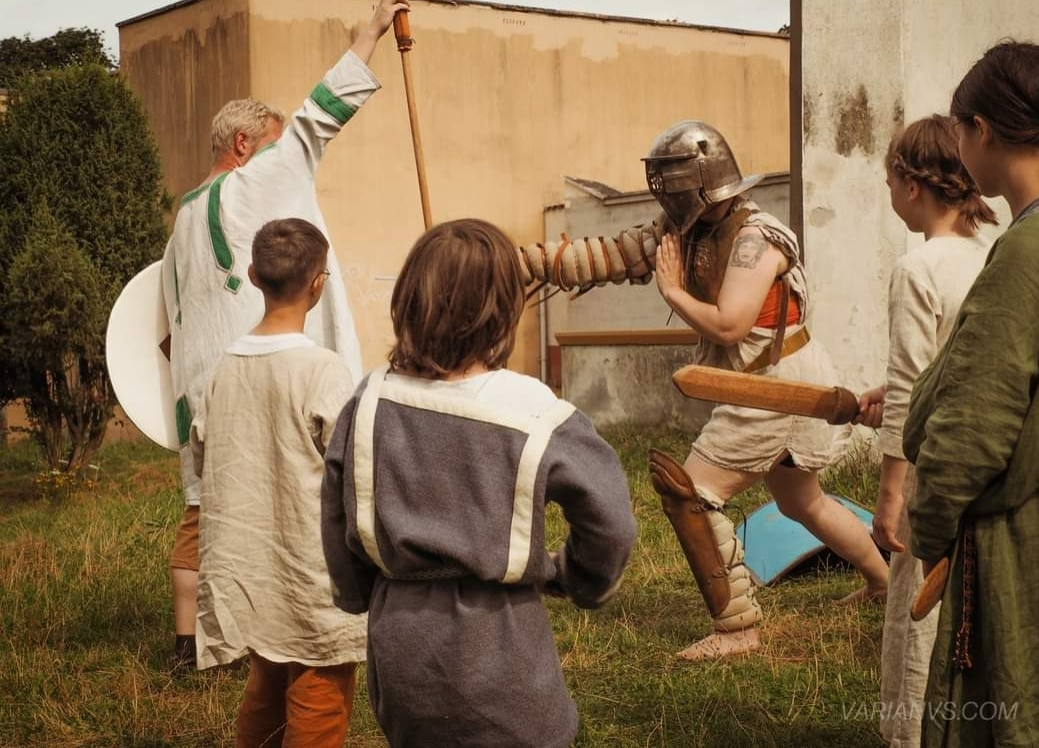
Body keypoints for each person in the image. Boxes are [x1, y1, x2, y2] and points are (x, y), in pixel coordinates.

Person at [519, 121, 889, 660]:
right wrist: (517, 263)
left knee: (688, 491)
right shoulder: (688, 227)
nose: (662, 193)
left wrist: (670, 289)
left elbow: (731, 324)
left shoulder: (754, 239)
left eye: (670, 180)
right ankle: (883, 582)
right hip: (760, 385)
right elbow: (613, 255)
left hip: (775, 388)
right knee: (801, 502)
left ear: (699, 180)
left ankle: (737, 627)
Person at [160, 0, 409, 668]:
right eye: (269, 144)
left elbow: (166, 318)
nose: (285, 155)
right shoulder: (260, 177)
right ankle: (301, 626)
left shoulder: (182, 217)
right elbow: (319, 116)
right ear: (244, 144)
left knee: (208, 510)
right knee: (296, 499)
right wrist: (372, 32)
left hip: (206, 387)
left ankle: (192, 645)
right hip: (274, 371)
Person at [321, 219, 637, 747]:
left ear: (409, 302)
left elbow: (337, 510)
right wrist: (580, 580)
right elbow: (611, 521)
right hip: (499, 642)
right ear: (503, 311)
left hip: (400, 643)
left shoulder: (369, 400)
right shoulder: (533, 411)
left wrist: (355, 594)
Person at [903, 41, 1039, 747]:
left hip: (1024, 543)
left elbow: (974, 428)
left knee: (1018, 714)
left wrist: (930, 524)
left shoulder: (1030, 251)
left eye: (959, 129)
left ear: (983, 131)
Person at [192, 218, 363, 747]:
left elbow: (203, 456)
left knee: (267, 680)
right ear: (318, 283)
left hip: (250, 570)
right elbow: (356, 470)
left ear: (252, 275)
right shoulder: (323, 371)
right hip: (312, 575)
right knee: (321, 688)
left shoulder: (221, 369)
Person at [855, 116, 995, 747]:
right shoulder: (996, 256)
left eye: (889, 181)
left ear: (912, 185)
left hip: (933, 475)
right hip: (992, 468)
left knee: (916, 622)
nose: (890, 195)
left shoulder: (919, 269)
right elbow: (971, 362)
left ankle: (907, 737)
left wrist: (891, 498)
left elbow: (913, 387)